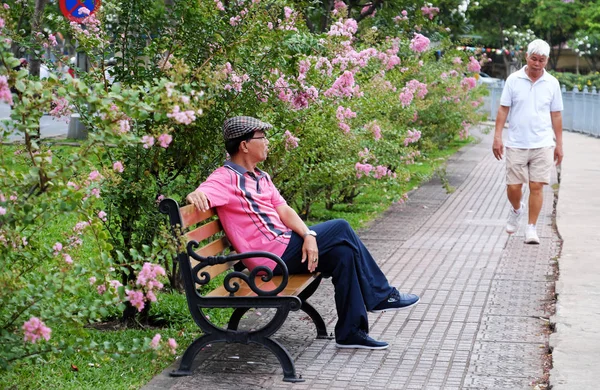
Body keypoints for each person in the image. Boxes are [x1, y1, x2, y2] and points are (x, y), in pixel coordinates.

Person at [186, 116, 420, 350]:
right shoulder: (225, 177)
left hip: (284, 247)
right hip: (269, 259)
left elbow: (284, 210)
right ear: (244, 145)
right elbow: (204, 192)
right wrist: (196, 194)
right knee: (341, 226)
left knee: (343, 253)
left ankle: (351, 332)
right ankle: (381, 295)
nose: (267, 142)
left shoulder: (262, 177)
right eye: (262, 137)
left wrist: (308, 235)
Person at [493, 39, 564, 244]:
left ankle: (531, 228)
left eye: (541, 60)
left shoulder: (552, 83)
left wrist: (559, 144)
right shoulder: (513, 80)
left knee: (536, 186)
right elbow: (503, 109)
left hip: (543, 142)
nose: (537, 64)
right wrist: (498, 137)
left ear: (547, 61)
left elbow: (556, 115)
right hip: (516, 142)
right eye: (534, 59)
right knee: (513, 187)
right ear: (527, 57)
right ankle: (517, 209)